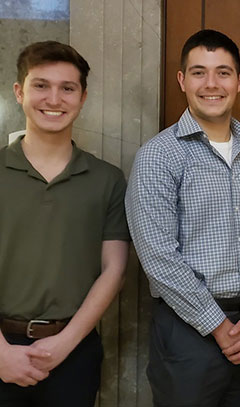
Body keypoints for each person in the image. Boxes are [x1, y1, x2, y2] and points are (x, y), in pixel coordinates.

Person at [126, 29, 240, 406]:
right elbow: (158, 257)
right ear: (182, 80)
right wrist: (218, 326)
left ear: (239, 81)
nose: (211, 84)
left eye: (223, 72)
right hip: (187, 333)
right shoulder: (158, 156)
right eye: (199, 72)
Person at [0, 41, 129, 406]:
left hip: (74, 350)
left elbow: (114, 269)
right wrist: (1, 355)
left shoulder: (107, 180)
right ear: (19, 91)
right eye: (41, 85)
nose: (54, 99)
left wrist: (64, 344)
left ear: (83, 97)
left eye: (67, 88)